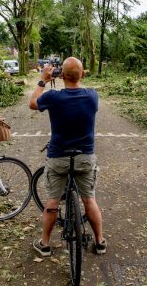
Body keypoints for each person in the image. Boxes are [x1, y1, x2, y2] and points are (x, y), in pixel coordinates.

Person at [29, 57, 107, 256]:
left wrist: (43, 80)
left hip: (58, 158)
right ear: (82, 74)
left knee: (53, 201)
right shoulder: (92, 96)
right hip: (84, 158)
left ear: (61, 75)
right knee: (89, 199)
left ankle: (44, 244)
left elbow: (32, 103)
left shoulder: (53, 97)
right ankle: (99, 241)